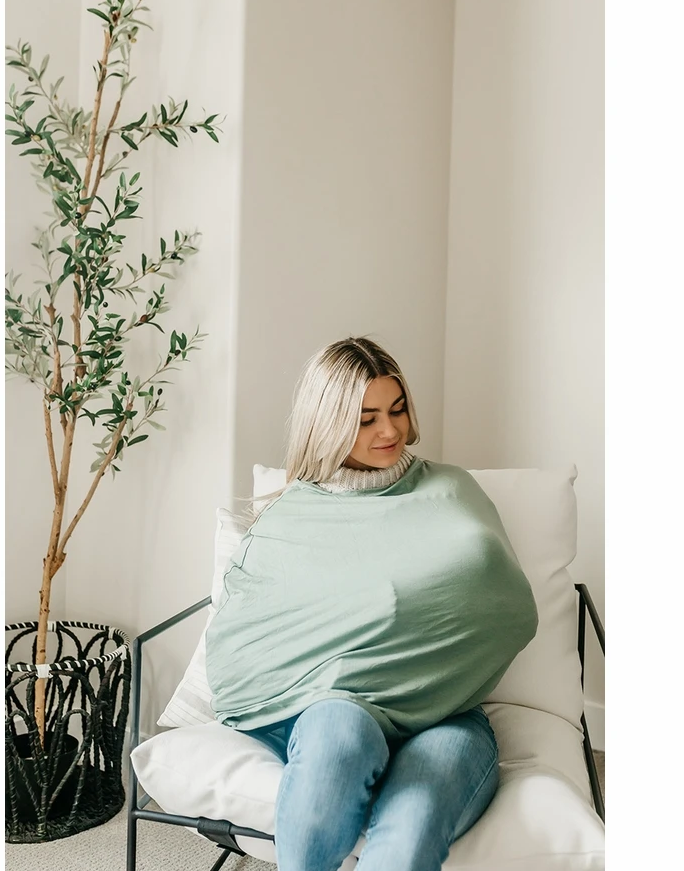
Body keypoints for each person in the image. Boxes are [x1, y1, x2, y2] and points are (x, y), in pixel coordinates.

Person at [205, 336, 538, 871]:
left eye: (397, 410)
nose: (390, 431)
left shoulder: (451, 488)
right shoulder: (291, 516)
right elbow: (242, 646)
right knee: (337, 734)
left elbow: (503, 602)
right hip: (333, 704)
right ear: (327, 423)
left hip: (447, 712)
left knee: (411, 829)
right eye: (366, 419)